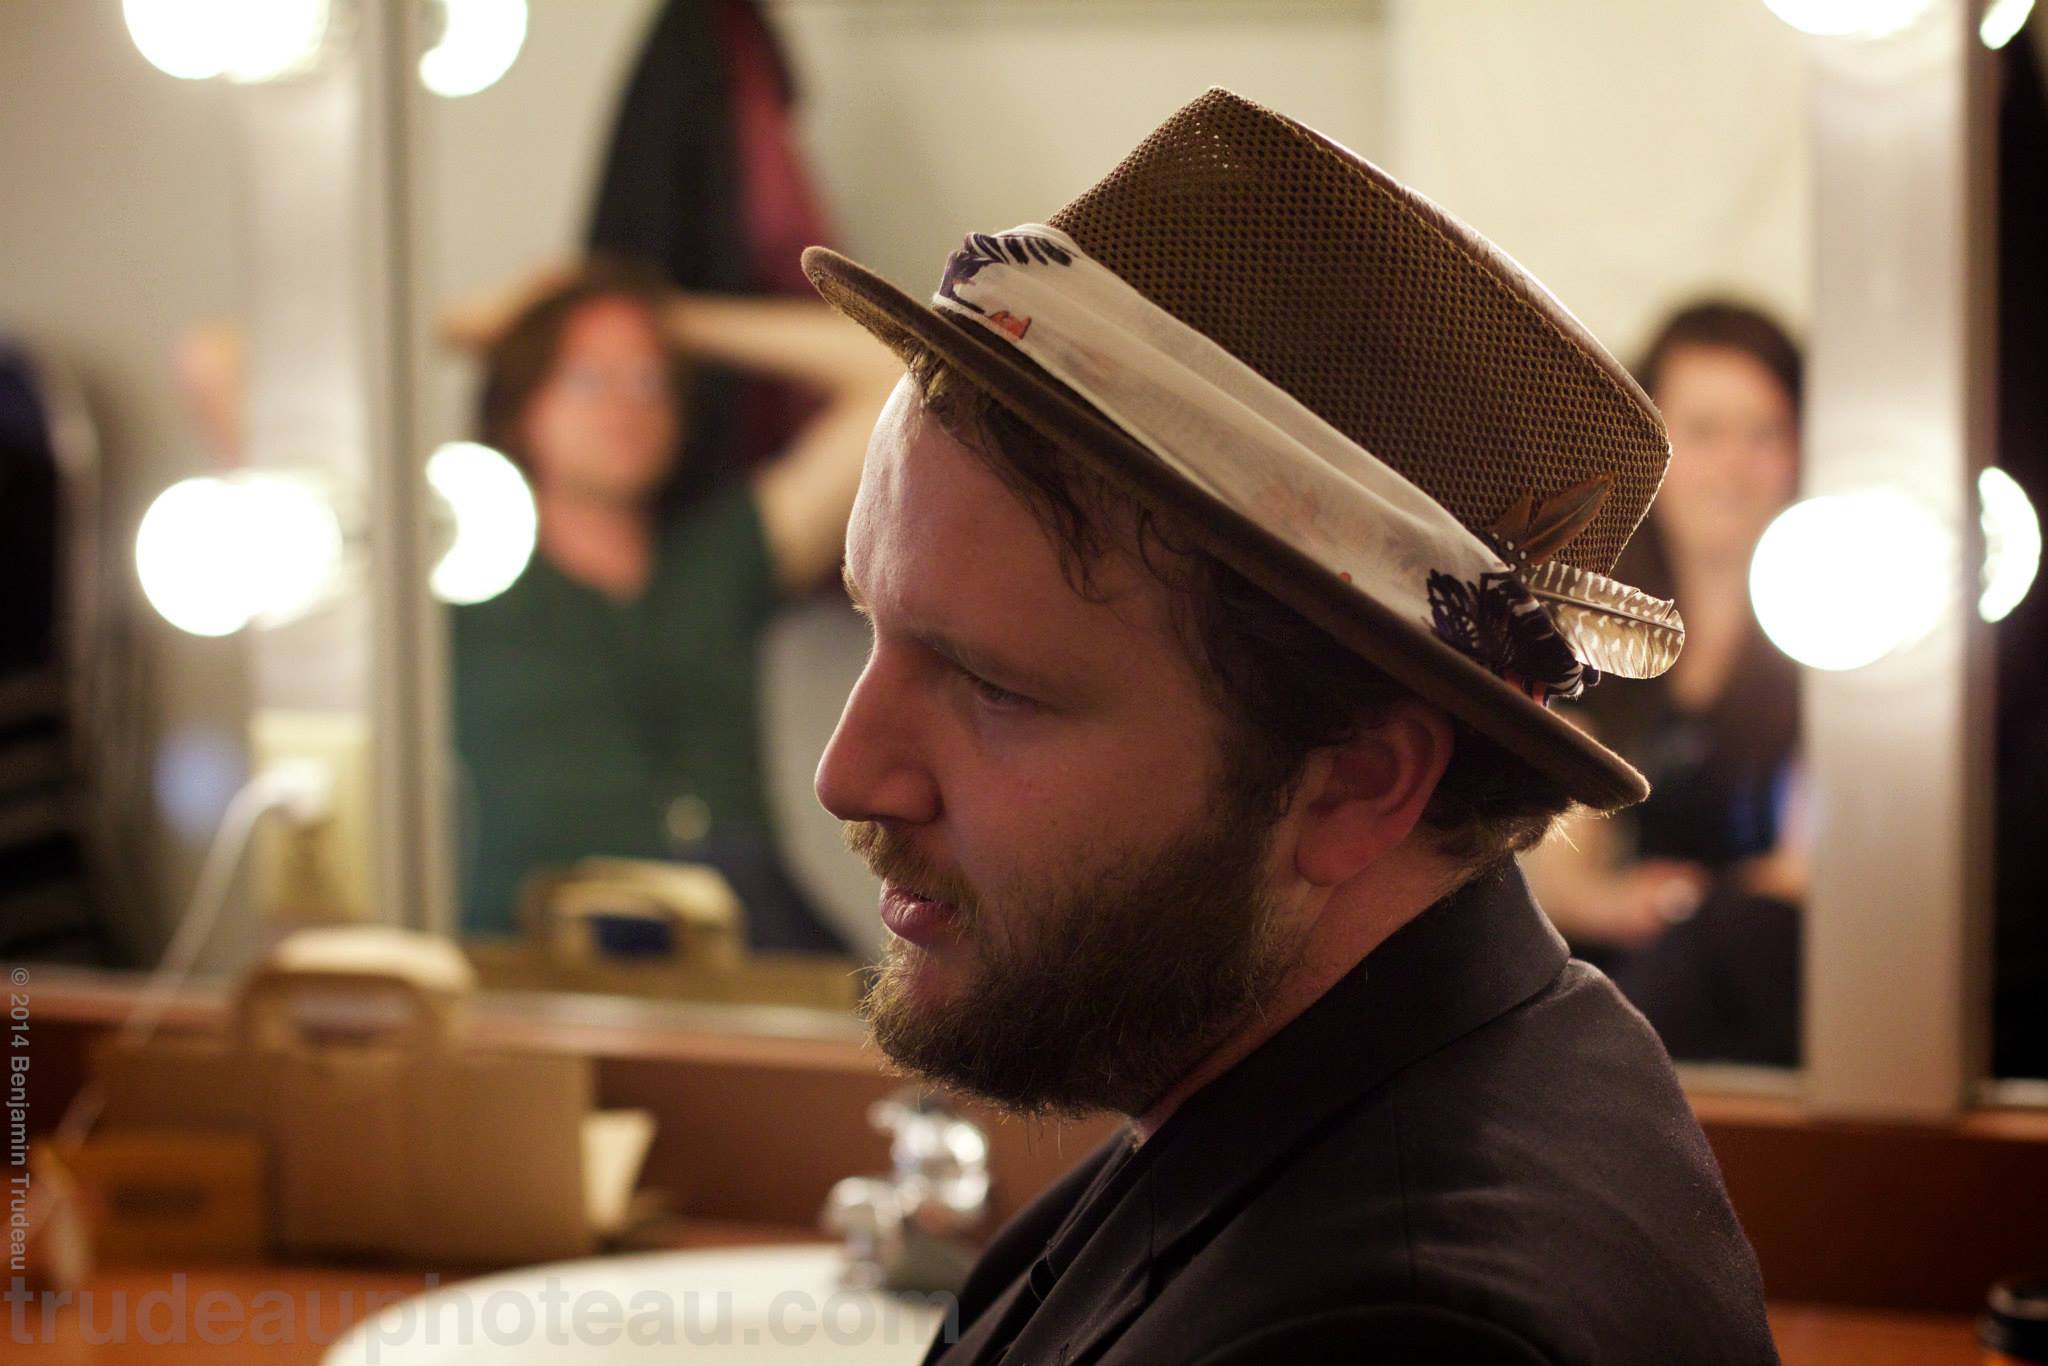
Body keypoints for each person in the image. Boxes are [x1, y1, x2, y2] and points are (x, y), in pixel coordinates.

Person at [803, 90, 1777, 1364]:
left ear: (1355, 783)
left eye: (993, 686)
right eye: (871, 623)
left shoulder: (1406, 1329)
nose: (847, 773)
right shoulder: (1260, 1104)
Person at [452, 262, 897, 951]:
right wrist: (487, 322)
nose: (625, 403)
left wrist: (671, 318)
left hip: (737, 945)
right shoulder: (460, 567)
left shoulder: (719, 555)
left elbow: (898, 373)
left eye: (649, 378)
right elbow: (260, 365)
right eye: (588, 378)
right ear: (520, 408)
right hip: (532, 949)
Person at [1526, 302, 1807, 1065]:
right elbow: (1560, 879)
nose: (1733, 468)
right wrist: (1627, 904)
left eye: (1764, 433)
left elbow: (1810, 872)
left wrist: (1700, 910)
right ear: (1652, 450)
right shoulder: (1584, 626)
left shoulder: (1840, 630)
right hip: (1624, 975)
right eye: (1704, 433)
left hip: (1773, 991)